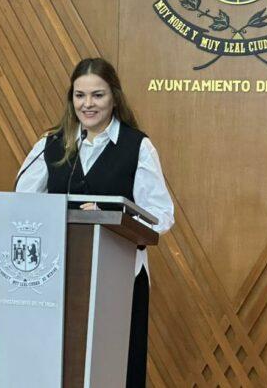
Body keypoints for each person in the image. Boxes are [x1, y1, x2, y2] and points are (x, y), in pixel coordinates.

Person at [15, 57, 174, 387]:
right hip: (58, 276)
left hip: (121, 276)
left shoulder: (137, 146)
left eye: (97, 95)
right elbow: (22, 203)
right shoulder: (51, 144)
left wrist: (110, 217)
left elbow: (160, 215)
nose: (87, 104)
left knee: (117, 368)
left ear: (114, 97)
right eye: (80, 95)